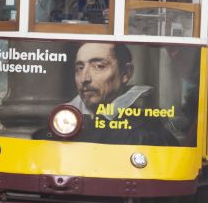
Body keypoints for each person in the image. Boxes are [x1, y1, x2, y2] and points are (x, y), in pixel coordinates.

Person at [45, 42, 175, 146]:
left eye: (99, 66)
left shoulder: (147, 130)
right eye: (79, 68)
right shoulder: (60, 122)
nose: (84, 78)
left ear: (126, 73)